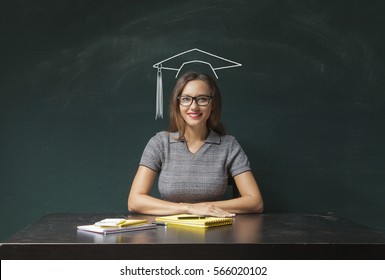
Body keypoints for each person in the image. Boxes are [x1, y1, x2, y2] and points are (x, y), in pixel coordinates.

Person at [128, 71, 263, 217]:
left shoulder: (229, 145)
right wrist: (189, 209)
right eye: (186, 99)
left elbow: (255, 202)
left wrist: (207, 208)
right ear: (177, 104)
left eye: (202, 99)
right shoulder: (160, 143)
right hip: (168, 233)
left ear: (213, 104)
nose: (194, 106)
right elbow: (135, 201)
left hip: (216, 232)